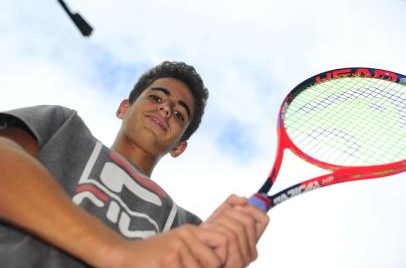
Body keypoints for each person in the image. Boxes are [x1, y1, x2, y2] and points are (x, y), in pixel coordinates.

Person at [0, 61, 269, 268]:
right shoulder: (64, 125)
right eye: (156, 98)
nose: (165, 109)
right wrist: (117, 253)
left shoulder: (188, 226)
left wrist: (219, 257)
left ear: (179, 147)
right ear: (123, 108)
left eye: (178, 113)